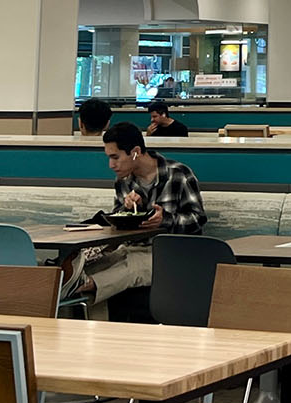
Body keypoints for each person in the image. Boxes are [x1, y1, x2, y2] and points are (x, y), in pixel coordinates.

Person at [69, 123, 209, 312]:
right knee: (97, 265)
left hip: (172, 253)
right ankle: (95, 332)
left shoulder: (178, 174)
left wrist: (165, 220)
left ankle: (86, 286)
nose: (111, 165)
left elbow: (198, 219)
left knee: (131, 267)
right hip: (132, 248)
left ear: (135, 152)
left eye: (115, 157)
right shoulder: (123, 181)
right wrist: (127, 210)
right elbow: (119, 226)